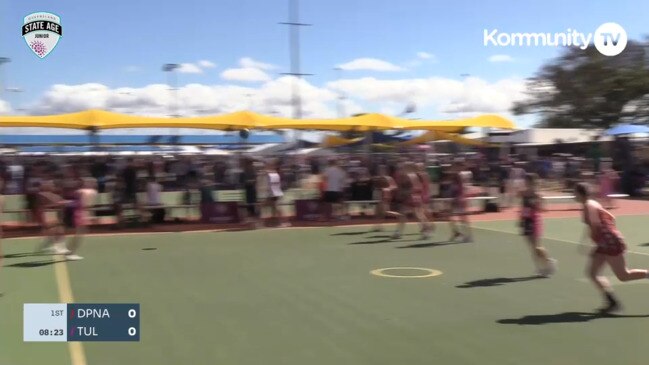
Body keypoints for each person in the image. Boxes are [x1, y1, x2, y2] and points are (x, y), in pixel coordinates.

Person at [575, 182, 649, 313]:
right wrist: (608, 233)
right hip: (606, 242)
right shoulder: (594, 203)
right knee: (593, 273)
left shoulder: (588, 205)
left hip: (608, 242)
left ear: (580, 194)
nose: (573, 195)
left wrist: (595, 240)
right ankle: (612, 301)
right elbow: (611, 217)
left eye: (575, 193)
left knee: (623, 275)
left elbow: (595, 224)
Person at [520, 173, 556, 276]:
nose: (525, 182)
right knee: (531, 247)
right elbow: (522, 206)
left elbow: (543, 208)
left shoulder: (537, 194)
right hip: (526, 220)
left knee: (537, 247)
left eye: (526, 180)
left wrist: (537, 204)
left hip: (535, 220)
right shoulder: (523, 193)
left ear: (531, 182)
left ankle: (549, 261)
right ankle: (539, 267)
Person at [65, 178, 98, 261]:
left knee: (79, 233)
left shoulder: (80, 191)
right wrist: (89, 215)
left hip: (77, 212)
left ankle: (69, 250)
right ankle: (71, 253)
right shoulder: (91, 192)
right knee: (79, 234)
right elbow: (87, 205)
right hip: (79, 212)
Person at [34, 180, 69, 255]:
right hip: (47, 214)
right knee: (56, 231)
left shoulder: (54, 195)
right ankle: (57, 247)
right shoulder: (41, 194)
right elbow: (43, 206)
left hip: (54, 213)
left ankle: (56, 247)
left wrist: (62, 203)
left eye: (53, 185)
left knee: (59, 231)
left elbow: (60, 203)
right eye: (51, 185)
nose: (53, 186)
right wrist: (57, 204)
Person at [372, 165, 403, 232]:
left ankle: (400, 215)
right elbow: (376, 187)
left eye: (382, 170)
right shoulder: (378, 179)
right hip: (379, 196)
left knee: (385, 211)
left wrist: (387, 189)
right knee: (378, 212)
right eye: (379, 170)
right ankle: (378, 226)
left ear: (385, 171)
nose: (380, 171)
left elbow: (395, 186)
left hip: (386, 196)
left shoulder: (389, 178)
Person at [448, 166, 473, 243]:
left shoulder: (457, 183)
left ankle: (467, 235)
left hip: (459, 201)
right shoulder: (456, 183)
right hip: (458, 201)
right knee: (451, 217)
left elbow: (456, 193)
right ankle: (457, 233)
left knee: (462, 218)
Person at [265, 160, 288, 227]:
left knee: (276, 207)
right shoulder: (276, 172)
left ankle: (282, 222)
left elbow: (278, 183)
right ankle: (277, 222)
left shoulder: (278, 173)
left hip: (276, 192)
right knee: (274, 208)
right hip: (274, 192)